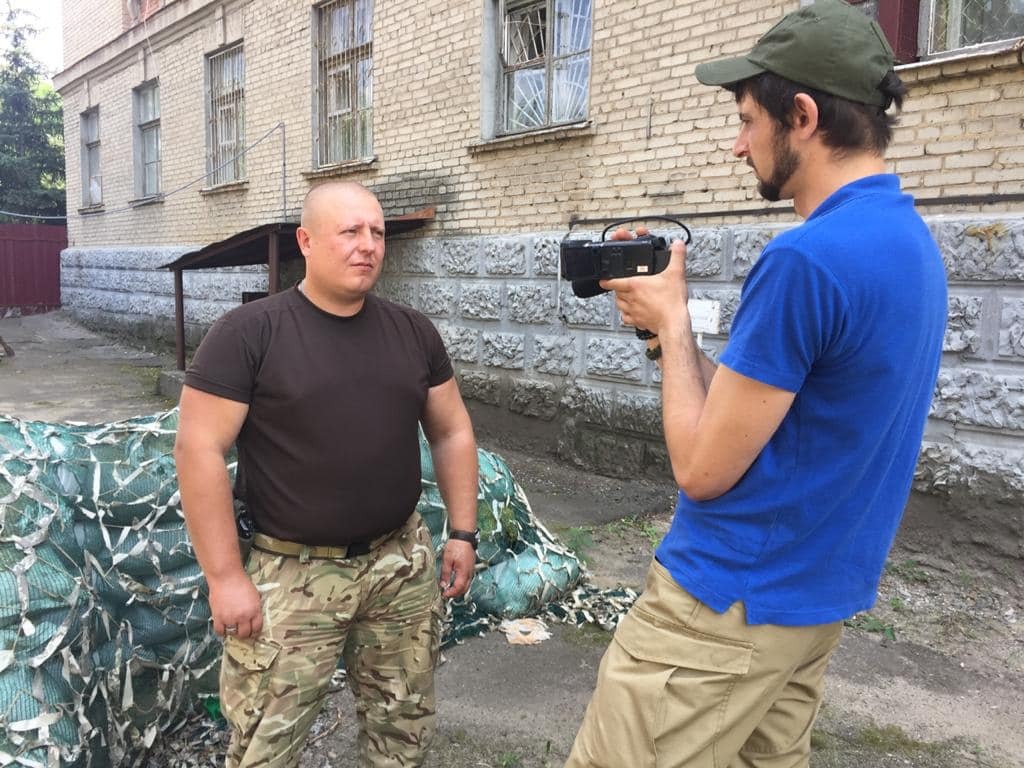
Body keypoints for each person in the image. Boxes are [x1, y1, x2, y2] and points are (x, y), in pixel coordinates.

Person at [566, 2, 948, 766]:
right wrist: (659, 336)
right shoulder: (908, 242)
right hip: (810, 606)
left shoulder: (805, 260)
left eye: (748, 120)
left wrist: (675, 328)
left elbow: (703, 468)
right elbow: (766, 416)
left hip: (723, 608)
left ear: (801, 115)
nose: (739, 145)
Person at [173, 181, 480, 768]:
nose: (367, 246)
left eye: (377, 233)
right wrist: (225, 576)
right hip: (293, 576)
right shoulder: (249, 332)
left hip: (399, 567)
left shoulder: (413, 332)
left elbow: (451, 430)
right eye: (350, 232)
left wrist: (462, 533)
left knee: (404, 728)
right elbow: (198, 450)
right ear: (306, 242)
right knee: (265, 745)